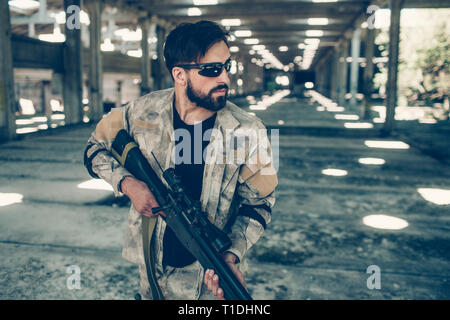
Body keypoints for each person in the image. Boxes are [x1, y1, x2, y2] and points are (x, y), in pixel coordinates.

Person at [83, 20, 278, 300]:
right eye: (212, 70)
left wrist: (232, 254)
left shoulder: (248, 130)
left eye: (227, 66)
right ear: (180, 74)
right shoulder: (141, 113)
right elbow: (93, 148)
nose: (224, 78)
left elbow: (259, 203)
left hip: (209, 281)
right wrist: (128, 184)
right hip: (152, 274)